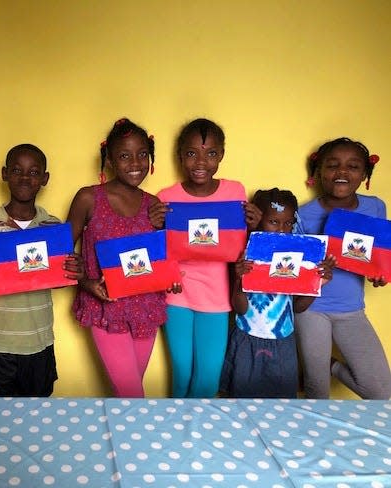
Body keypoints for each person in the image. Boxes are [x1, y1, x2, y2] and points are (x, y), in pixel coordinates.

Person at [150, 118, 262, 398]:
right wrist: (153, 225)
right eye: (191, 153)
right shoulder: (167, 197)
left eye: (211, 153)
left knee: (208, 376)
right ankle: (176, 434)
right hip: (177, 292)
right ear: (180, 157)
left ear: (221, 155)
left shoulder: (235, 191)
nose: (201, 161)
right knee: (182, 371)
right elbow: (158, 249)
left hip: (216, 295)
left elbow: (240, 244)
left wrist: (255, 224)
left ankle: (200, 436)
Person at [0, 143, 83, 397]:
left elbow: (60, 279)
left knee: (38, 412)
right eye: (17, 170)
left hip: (39, 340)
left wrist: (76, 270)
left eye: (33, 172)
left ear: (44, 178)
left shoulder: (52, 227)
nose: (25, 177)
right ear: (5, 174)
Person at [67, 118, 168, 398]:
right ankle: (136, 440)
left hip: (145, 307)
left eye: (142, 154)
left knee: (129, 391)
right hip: (106, 307)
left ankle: (122, 438)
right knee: (131, 392)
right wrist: (86, 283)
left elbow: (163, 257)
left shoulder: (155, 205)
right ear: (109, 160)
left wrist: (163, 229)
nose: (135, 163)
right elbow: (61, 254)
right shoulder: (88, 198)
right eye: (124, 156)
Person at [296, 137, 391, 399]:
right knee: (318, 392)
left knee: (382, 393)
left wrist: (378, 272)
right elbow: (294, 270)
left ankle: (331, 366)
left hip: (352, 310)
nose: (342, 172)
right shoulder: (302, 216)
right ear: (319, 172)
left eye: (353, 166)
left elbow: (375, 253)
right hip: (312, 310)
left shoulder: (375, 207)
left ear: (364, 174)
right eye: (333, 165)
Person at [220, 188, 335, 398]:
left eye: (288, 223)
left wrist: (317, 283)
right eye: (274, 222)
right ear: (258, 220)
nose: (282, 230)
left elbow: (298, 308)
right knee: (241, 399)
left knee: (282, 402)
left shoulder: (296, 259)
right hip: (248, 338)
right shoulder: (245, 257)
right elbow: (240, 307)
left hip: (283, 341)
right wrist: (239, 278)